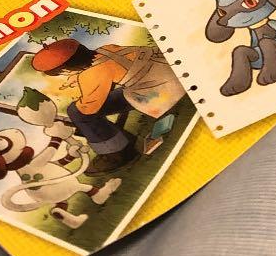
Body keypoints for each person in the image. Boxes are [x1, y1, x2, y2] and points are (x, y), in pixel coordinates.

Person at [31, 38, 185, 175]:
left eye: (60, 73)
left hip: (160, 94)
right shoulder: (107, 49)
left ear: (65, 69)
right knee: (107, 99)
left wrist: (84, 88)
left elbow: (88, 108)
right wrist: (82, 78)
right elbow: (111, 67)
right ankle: (120, 139)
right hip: (172, 76)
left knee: (77, 113)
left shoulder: (92, 74)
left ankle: (118, 153)